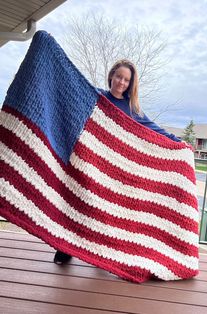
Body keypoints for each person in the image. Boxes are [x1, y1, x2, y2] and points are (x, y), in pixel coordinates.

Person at [54, 59, 180, 265]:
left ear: (131, 84)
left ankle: (103, 254)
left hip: (113, 171)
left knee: (106, 214)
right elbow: (70, 90)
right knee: (78, 205)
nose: (122, 82)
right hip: (90, 163)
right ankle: (64, 249)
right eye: (119, 77)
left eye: (127, 80)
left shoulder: (131, 108)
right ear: (112, 75)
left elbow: (153, 128)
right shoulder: (96, 97)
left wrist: (177, 142)